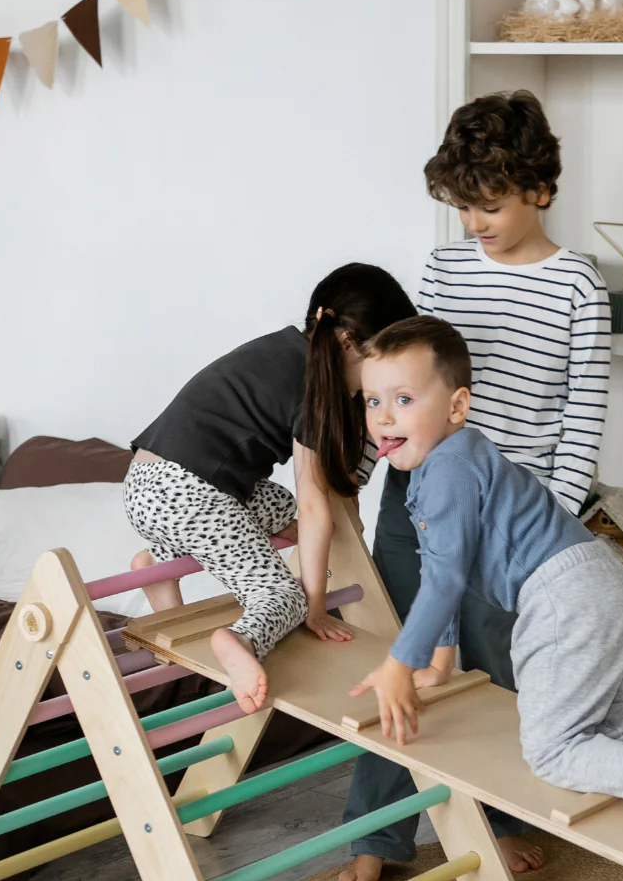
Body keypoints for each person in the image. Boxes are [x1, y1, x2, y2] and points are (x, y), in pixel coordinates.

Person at [347, 316, 623, 876]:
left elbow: (442, 580)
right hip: (610, 587)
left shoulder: (446, 472)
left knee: (552, 751)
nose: (384, 417)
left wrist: (401, 661)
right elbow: (446, 567)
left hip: (564, 600)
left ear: (456, 406)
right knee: (608, 732)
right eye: (372, 401)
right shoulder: (456, 461)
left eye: (404, 399)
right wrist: (441, 659)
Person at [338, 89, 610, 881]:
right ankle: (379, 831)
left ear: (541, 190)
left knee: (496, 675)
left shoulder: (577, 287)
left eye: (489, 205)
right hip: (416, 496)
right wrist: (379, 458)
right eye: (462, 208)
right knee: (403, 659)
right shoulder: (445, 266)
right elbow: (407, 383)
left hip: (511, 518)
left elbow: (582, 414)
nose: (475, 223)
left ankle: (502, 819)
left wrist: (550, 523)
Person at [126, 264, 415, 714]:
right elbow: (317, 506)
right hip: (188, 492)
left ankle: (160, 568)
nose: (377, 385)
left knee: (278, 504)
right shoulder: (313, 389)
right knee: (283, 596)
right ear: (348, 342)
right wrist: (314, 606)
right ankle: (239, 641)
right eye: (381, 366)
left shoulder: (286, 350)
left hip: (148, 483)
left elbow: (306, 502)